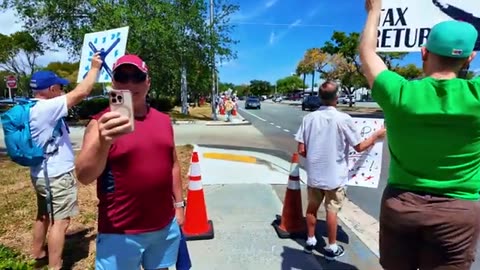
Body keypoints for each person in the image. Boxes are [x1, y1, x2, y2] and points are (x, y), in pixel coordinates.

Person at [359, 0, 480, 269]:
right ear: (470, 58)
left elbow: (367, 52)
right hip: (458, 213)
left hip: (401, 207)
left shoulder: (399, 93)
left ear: (423, 52)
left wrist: (374, 11)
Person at [75, 54, 183, 270]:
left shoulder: (163, 120)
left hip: (163, 225)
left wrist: (179, 206)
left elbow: (173, 165)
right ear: (113, 82)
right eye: (122, 77)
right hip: (120, 232)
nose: (130, 83)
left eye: (137, 77)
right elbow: (84, 176)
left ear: (148, 82)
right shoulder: (101, 123)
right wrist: (104, 143)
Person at [294, 81, 385, 260]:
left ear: (319, 97)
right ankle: (331, 247)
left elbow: (301, 150)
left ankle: (311, 241)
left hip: (314, 175)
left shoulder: (308, 119)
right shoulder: (343, 119)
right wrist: (375, 136)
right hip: (335, 176)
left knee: (312, 208)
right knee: (332, 211)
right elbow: (359, 147)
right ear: (337, 97)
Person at [28, 54, 102, 269]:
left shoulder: (31, 107)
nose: (61, 91)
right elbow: (82, 92)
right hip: (57, 175)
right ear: (50, 89)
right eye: (59, 87)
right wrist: (95, 67)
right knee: (60, 222)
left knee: (43, 214)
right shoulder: (47, 108)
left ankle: (37, 252)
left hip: (40, 174)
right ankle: (55, 265)